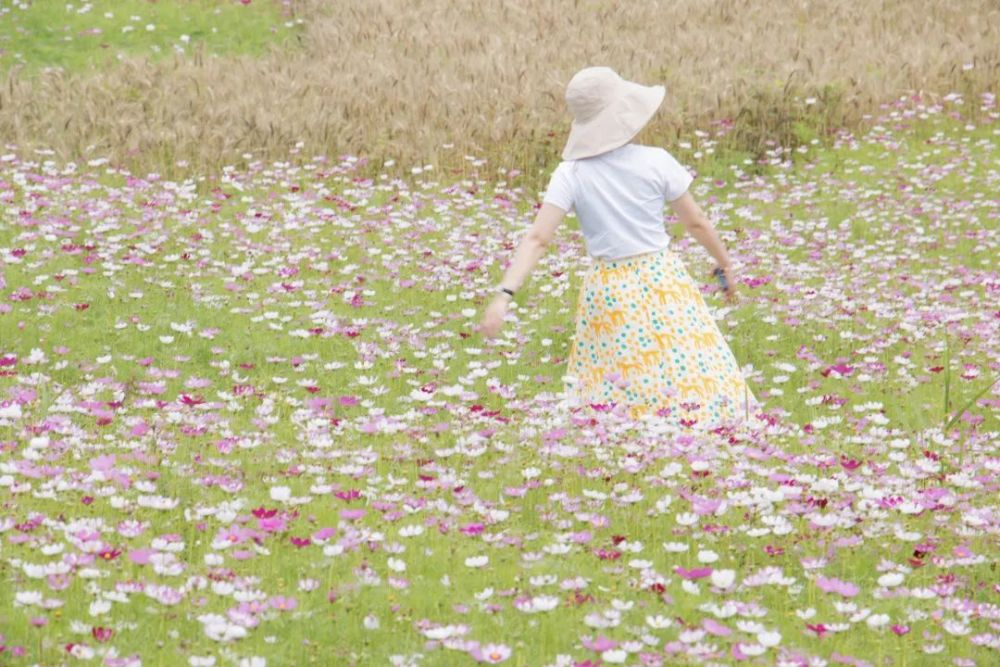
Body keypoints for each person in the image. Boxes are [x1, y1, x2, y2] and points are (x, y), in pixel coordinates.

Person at [477, 66, 760, 427]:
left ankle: (625, 440)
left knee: (617, 376)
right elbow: (696, 223)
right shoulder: (656, 160)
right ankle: (700, 434)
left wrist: (504, 294)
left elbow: (538, 238)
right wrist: (724, 264)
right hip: (662, 280)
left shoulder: (572, 173)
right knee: (685, 363)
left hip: (608, 288)